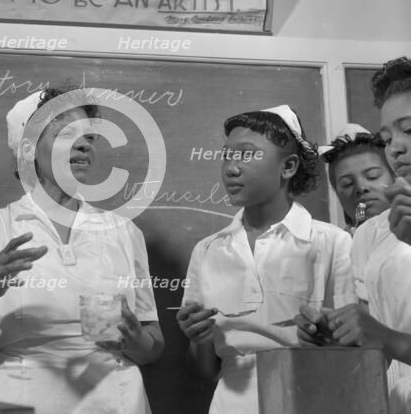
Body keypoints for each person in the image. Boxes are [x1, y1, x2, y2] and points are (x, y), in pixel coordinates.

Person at [0, 88, 163, 414]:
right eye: (66, 133)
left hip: (113, 399)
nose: (84, 144)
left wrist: (135, 341)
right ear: (28, 148)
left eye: (90, 137)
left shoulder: (122, 231)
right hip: (19, 397)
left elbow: (151, 344)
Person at [176, 104, 356, 414]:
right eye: (227, 155)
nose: (231, 167)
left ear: (287, 167)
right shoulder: (208, 250)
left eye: (246, 155)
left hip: (309, 397)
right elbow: (205, 369)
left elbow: (355, 348)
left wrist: (326, 338)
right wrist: (199, 338)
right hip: (230, 403)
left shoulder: (331, 242)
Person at [296, 57, 411, 413]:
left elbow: (389, 338)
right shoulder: (371, 234)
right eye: (387, 137)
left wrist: (389, 339)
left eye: (410, 130)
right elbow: (377, 343)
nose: (396, 147)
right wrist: (342, 337)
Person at [319, 123, 394, 233]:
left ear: (395, 177)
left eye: (372, 176)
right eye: (347, 184)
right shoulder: (338, 246)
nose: (361, 187)